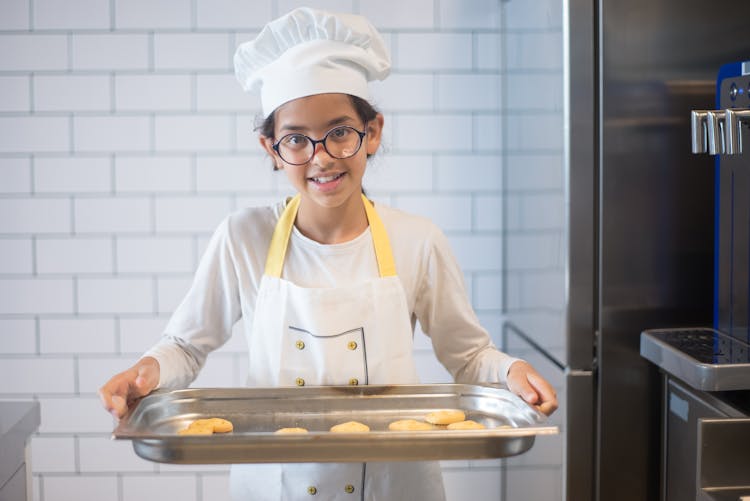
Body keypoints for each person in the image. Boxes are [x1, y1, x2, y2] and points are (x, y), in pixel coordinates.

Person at [98, 7, 558, 500]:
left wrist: (510, 371)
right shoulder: (242, 238)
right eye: (296, 139)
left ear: (373, 132)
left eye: (340, 131)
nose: (321, 156)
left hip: (393, 485)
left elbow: (468, 356)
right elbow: (186, 346)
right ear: (271, 148)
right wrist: (146, 370)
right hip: (275, 486)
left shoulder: (416, 240)